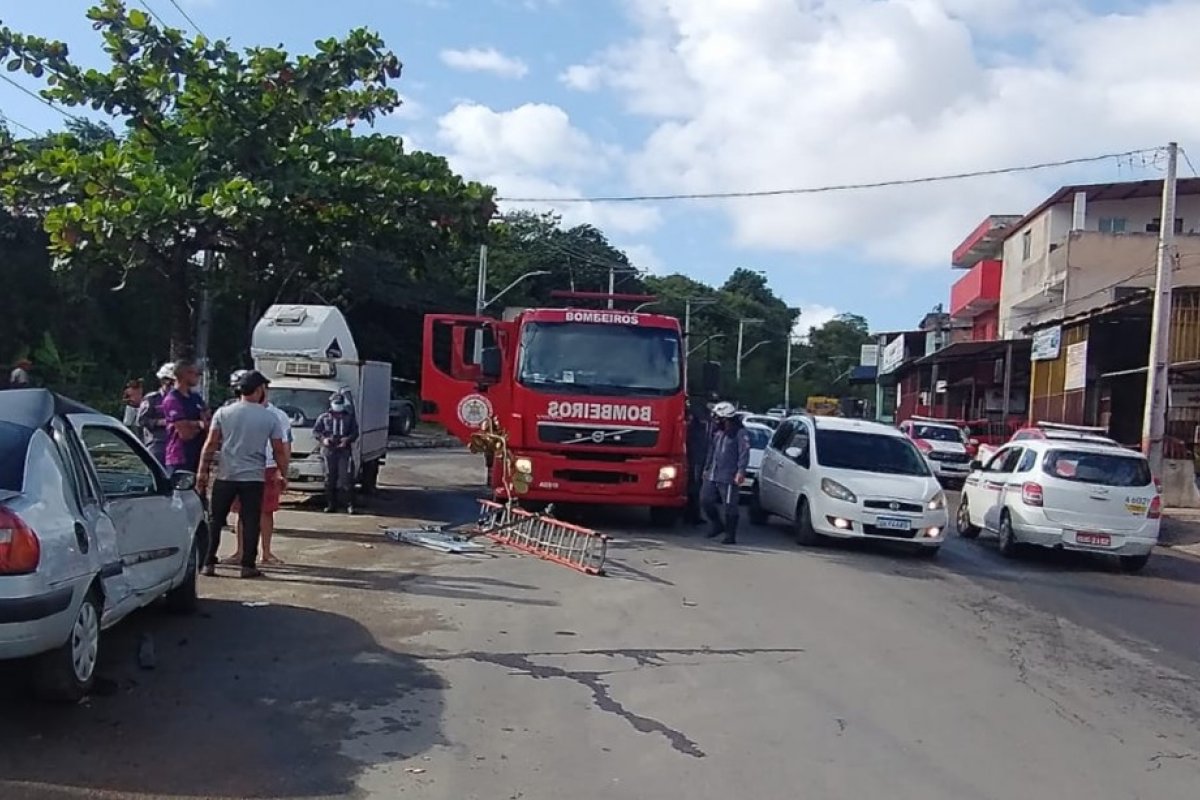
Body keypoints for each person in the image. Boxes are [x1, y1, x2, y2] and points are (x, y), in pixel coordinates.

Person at [197, 370, 289, 579]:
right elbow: (278, 450)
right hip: (253, 477)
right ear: (258, 391)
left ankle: (208, 563)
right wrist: (283, 474)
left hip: (226, 474)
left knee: (216, 519)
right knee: (251, 521)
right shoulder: (269, 417)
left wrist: (202, 471)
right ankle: (248, 565)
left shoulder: (223, 413)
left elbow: (210, 444)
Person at [223, 370, 293, 566]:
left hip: (268, 468)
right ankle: (240, 551)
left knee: (266, 512)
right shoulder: (234, 411)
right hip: (242, 467)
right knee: (241, 511)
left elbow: (284, 447)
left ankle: (266, 553)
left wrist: (282, 472)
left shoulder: (278, 416)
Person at [701, 401, 751, 545]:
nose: (716, 420)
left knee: (730, 505)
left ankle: (730, 534)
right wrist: (706, 468)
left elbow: (744, 452)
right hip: (713, 472)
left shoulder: (740, 433)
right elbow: (711, 450)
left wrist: (741, 471)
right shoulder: (717, 432)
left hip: (729, 475)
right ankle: (717, 524)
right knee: (705, 500)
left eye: (718, 418)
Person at [160, 358, 210, 475]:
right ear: (185, 374)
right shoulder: (172, 399)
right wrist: (199, 424)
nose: (198, 377)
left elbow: (208, 422)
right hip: (180, 457)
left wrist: (193, 424)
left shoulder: (195, 397)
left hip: (198, 454)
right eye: (196, 374)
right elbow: (185, 434)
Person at [313, 394, 359, 514]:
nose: (337, 406)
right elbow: (316, 432)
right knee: (330, 478)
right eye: (335, 403)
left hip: (344, 451)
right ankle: (331, 504)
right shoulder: (323, 417)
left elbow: (355, 432)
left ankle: (349, 505)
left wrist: (347, 440)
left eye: (339, 404)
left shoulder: (349, 417)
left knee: (346, 478)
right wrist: (324, 440)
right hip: (329, 450)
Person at [136, 363, 176, 465]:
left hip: (176, 446)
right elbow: (141, 420)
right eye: (168, 381)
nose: (171, 385)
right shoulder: (152, 399)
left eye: (173, 382)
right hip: (157, 444)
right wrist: (159, 422)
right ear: (162, 380)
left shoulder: (181, 400)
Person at [684, 402, 710, 525]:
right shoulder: (695, 431)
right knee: (693, 489)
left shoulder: (698, 430)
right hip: (694, 462)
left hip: (698, 461)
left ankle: (693, 515)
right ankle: (691, 516)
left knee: (695, 489)